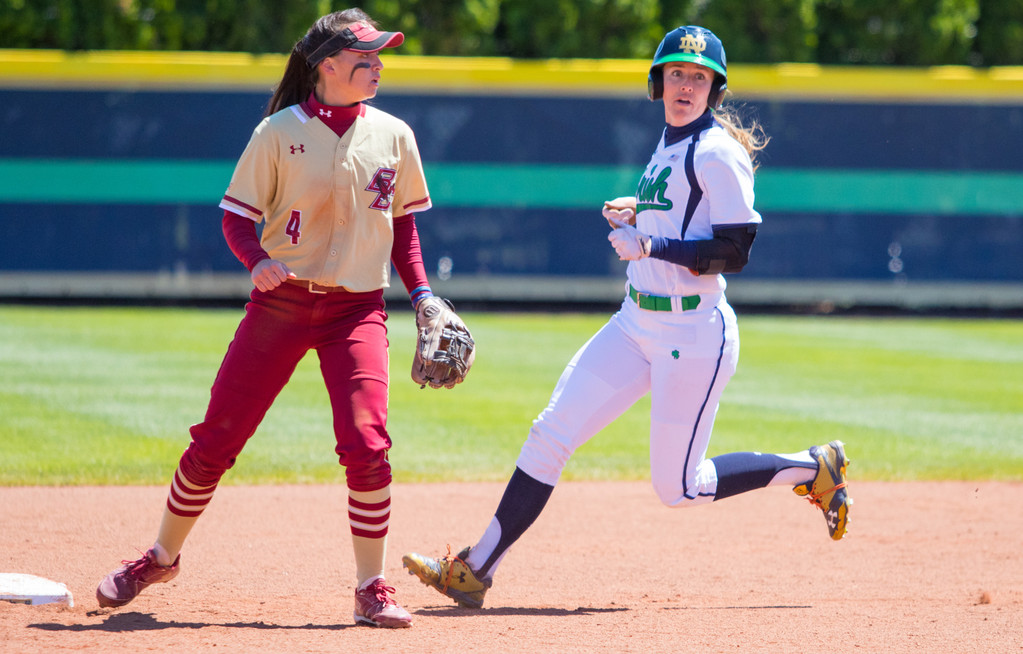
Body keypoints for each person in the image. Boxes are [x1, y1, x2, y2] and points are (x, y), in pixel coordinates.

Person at [402, 25, 851, 610]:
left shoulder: (719, 151)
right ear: (657, 82)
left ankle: (811, 467)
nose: (685, 84)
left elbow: (734, 252)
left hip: (693, 335)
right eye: (675, 73)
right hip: (636, 322)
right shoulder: (670, 144)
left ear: (714, 88)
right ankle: (476, 567)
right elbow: (685, 215)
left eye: (698, 76)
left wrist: (650, 246)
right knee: (550, 433)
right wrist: (640, 210)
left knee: (680, 489)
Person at [95, 8, 463, 628]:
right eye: (363, 55)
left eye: (379, 55)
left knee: (368, 444)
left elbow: (403, 229)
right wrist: (256, 259)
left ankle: (370, 586)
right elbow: (236, 217)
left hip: (356, 310)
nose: (376, 64)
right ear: (325, 65)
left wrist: (424, 295)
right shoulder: (277, 133)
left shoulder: (395, 134)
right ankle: (160, 556)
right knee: (216, 440)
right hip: (282, 304)